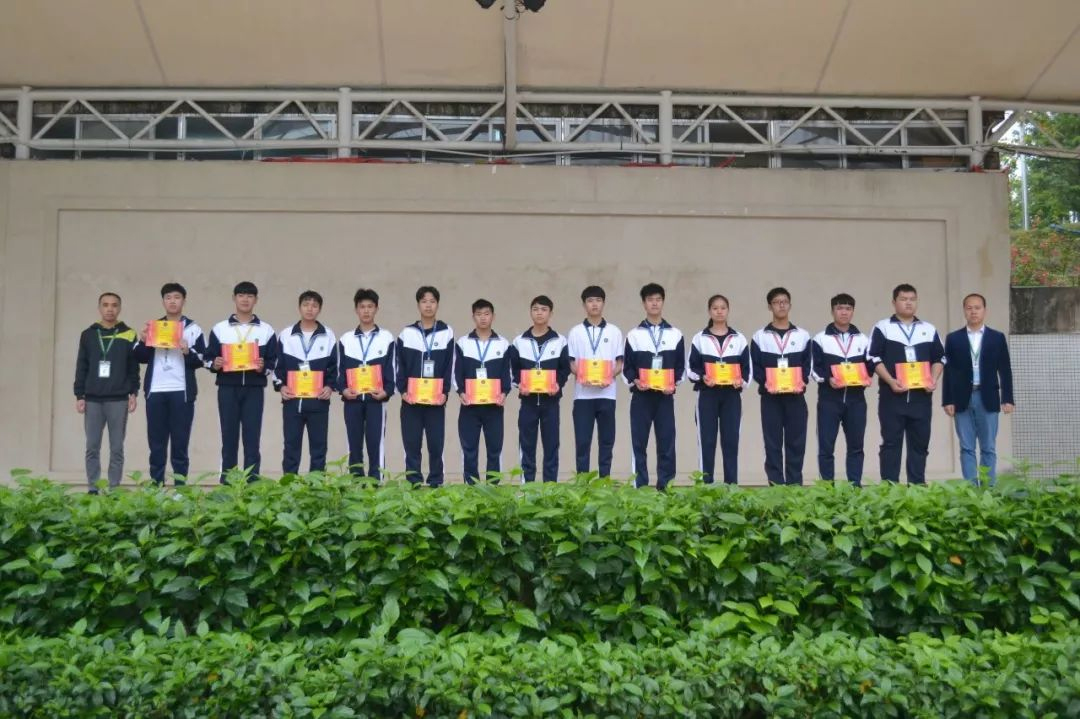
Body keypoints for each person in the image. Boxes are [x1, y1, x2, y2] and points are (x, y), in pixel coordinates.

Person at [867, 283, 945, 484]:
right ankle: (889, 487)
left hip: (921, 398)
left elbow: (940, 358)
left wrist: (933, 379)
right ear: (894, 302)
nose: (908, 303)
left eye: (912, 299)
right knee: (891, 444)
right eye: (903, 299)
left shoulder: (928, 329)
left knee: (920, 444)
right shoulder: (883, 327)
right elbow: (873, 357)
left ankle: (917, 487)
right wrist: (891, 381)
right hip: (892, 397)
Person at [133, 282, 207, 486]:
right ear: (163, 302)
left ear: (184, 301)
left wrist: (187, 351)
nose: (172, 301)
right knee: (156, 443)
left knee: (180, 443)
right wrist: (143, 340)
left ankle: (180, 489)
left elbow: (202, 360)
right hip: (156, 390)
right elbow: (139, 357)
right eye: (168, 298)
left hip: (181, 392)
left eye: (176, 297)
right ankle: (156, 486)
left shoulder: (193, 328)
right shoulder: (153, 327)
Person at [205, 281, 278, 483]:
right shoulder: (220, 329)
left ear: (256, 300)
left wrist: (263, 367)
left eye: (250, 296)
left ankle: (252, 484)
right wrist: (215, 364)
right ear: (234, 298)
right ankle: (228, 484)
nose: (245, 299)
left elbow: (274, 361)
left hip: (254, 389)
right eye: (241, 295)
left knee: (252, 439)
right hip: (227, 388)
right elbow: (208, 358)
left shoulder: (266, 330)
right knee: (228, 438)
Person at [942, 292, 1014, 484]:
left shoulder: (996, 337)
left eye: (977, 308)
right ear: (964, 311)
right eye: (969, 308)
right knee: (966, 447)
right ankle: (971, 489)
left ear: (984, 310)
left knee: (988, 447)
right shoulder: (954, 338)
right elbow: (948, 371)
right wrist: (947, 400)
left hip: (987, 396)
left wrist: (1007, 398)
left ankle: (988, 487)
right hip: (962, 398)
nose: (973, 311)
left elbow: (1005, 369)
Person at [73, 291, 139, 492]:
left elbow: (133, 367)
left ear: (119, 308)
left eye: (114, 305)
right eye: (105, 305)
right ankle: (93, 488)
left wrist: (134, 392)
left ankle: (114, 489)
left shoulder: (129, 334)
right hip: (92, 399)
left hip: (118, 399)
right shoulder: (88, 334)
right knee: (92, 447)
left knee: (116, 448)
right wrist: (79, 395)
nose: (110, 309)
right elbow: (82, 366)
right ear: (99, 308)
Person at [623, 283, 685, 490]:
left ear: (663, 302)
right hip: (641, 397)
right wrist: (636, 381)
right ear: (644, 303)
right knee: (639, 443)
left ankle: (666, 488)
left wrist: (673, 384)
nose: (654, 303)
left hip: (665, 397)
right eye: (650, 300)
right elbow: (627, 367)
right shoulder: (634, 335)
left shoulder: (675, 334)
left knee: (666, 443)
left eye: (658, 299)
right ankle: (640, 487)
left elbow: (680, 366)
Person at [686, 294, 750, 485]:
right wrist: (702, 377)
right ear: (709, 311)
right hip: (707, 395)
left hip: (731, 396)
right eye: (715, 308)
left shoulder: (739, 338)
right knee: (706, 441)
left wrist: (741, 381)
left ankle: (732, 486)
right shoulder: (700, 338)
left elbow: (747, 370)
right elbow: (691, 368)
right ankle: (706, 487)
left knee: (731, 442)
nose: (719, 311)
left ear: (728, 310)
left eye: (723, 308)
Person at [750, 287, 812, 486]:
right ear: (770, 307)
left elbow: (808, 365)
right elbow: (754, 366)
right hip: (771, 398)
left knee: (796, 443)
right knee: (772, 443)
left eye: (785, 302)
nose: (781, 305)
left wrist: (801, 381)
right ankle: (776, 485)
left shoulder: (802, 335)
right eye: (777, 302)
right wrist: (766, 382)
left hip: (796, 397)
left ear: (790, 305)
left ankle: (795, 486)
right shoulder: (760, 336)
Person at [810, 293, 871, 485]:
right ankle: (827, 489)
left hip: (856, 400)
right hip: (829, 400)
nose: (844, 312)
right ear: (832, 311)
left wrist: (866, 377)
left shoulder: (863, 339)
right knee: (826, 447)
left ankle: (855, 487)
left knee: (856, 447)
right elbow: (814, 368)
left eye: (848, 308)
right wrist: (828, 379)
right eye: (839, 308)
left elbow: (870, 366)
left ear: (853, 311)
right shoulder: (820, 339)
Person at [508, 295, 571, 482]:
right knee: (526, 446)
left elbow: (565, 369)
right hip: (527, 403)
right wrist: (520, 384)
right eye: (535, 309)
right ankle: (527, 488)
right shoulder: (519, 341)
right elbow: (513, 369)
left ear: (551, 313)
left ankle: (550, 488)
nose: (539, 313)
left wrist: (557, 384)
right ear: (530, 312)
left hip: (551, 403)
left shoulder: (560, 341)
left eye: (544, 309)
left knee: (551, 446)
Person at [396, 286, 454, 487]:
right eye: (424, 301)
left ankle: (436, 480)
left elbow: (450, 365)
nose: (428, 305)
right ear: (418, 305)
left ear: (437, 304)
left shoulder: (446, 332)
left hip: (436, 400)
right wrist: (403, 390)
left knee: (436, 443)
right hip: (411, 400)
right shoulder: (407, 333)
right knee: (411, 443)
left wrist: (445, 392)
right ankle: (413, 481)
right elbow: (399, 364)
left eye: (432, 301)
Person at [274, 290, 337, 475]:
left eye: (314, 305)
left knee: (319, 448)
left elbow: (335, 367)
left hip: (319, 402)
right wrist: (281, 386)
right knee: (291, 447)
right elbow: (277, 366)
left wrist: (329, 387)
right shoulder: (286, 335)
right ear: (299, 307)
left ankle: (315, 488)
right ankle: (289, 485)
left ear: (320, 309)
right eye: (306, 304)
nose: (310, 309)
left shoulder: (328, 336)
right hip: (292, 401)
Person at [337, 288, 395, 482]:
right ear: (356, 310)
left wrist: (386, 391)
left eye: (370, 306)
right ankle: (355, 483)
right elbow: (339, 370)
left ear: (376, 309)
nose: (366, 311)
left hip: (376, 401)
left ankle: (376, 483)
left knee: (376, 444)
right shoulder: (346, 339)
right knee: (353, 444)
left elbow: (392, 368)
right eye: (362, 307)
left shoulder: (386, 338)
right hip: (352, 400)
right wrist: (343, 389)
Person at [566, 286, 624, 478]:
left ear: (603, 303)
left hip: (607, 394)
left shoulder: (614, 331)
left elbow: (620, 363)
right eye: (590, 301)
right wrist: (583, 377)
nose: (594, 304)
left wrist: (609, 376)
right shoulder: (575, 332)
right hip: (582, 396)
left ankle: (604, 481)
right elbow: (571, 363)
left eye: (598, 300)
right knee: (582, 442)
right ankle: (582, 484)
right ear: (584, 305)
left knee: (606, 441)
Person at [454, 299, 512, 484]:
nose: (483, 318)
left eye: (486, 314)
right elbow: (456, 372)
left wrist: (504, 393)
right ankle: (471, 487)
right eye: (479, 314)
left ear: (493, 316)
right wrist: (461, 392)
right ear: (473, 317)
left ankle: (493, 487)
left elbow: (508, 373)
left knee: (494, 449)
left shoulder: (503, 344)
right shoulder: (463, 343)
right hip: (469, 405)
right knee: (469, 449)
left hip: (494, 406)